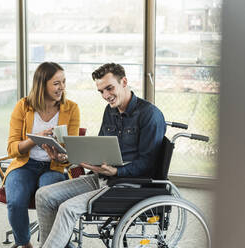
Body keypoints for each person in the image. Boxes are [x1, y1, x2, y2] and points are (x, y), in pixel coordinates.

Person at [35, 63, 166, 248]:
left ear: (124, 82)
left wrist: (116, 172)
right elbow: (99, 147)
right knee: (43, 195)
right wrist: (70, 157)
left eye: (109, 88)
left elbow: (148, 164)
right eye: (101, 91)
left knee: (67, 209)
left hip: (127, 185)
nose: (105, 96)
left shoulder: (150, 115)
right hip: (102, 177)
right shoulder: (110, 110)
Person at [4, 62, 80, 248]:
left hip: (54, 167)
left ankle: (54, 242)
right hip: (25, 165)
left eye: (63, 82)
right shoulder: (23, 107)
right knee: (15, 201)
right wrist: (35, 139)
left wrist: (63, 157)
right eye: (56, 83)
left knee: (51, 200)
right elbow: (12, 148)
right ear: (42, 84)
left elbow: (74, 151)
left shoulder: (71, 108)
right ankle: (24, 244)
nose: (62, 87)